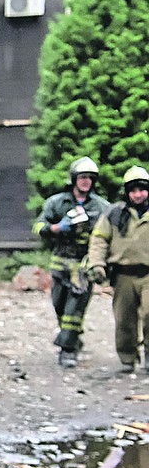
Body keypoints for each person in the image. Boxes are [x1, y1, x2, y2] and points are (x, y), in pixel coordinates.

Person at [33, 156, 109, 367]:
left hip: (83, 265)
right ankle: (74, 337)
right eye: (82, 177)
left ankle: (67, 351)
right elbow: (38, 226)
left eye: (90, 178)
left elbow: (110, 233)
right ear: (74, 178)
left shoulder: (102, 207)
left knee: (74, 310)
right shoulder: (56, 202)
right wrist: (55, 228)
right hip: (60, 265)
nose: (86, 182)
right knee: (59, 306)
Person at [87, 165, 149, 373]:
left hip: (148, 273)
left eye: (142, 189)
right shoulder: (114, 213)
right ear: (127, 192)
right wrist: (97, 264)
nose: (138, 194)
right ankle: (127, 358)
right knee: (124, 319)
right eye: (133, 190)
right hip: (122, 274)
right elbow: (99, 239)